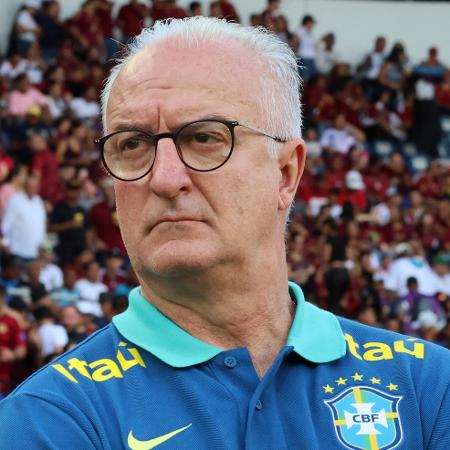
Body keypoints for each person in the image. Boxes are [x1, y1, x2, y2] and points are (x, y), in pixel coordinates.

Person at [0, 17, 449, 449]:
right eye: (132, 144)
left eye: (204, 137)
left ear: (287, 173)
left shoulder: (429, 389)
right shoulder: (46, 420)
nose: (163, 178)